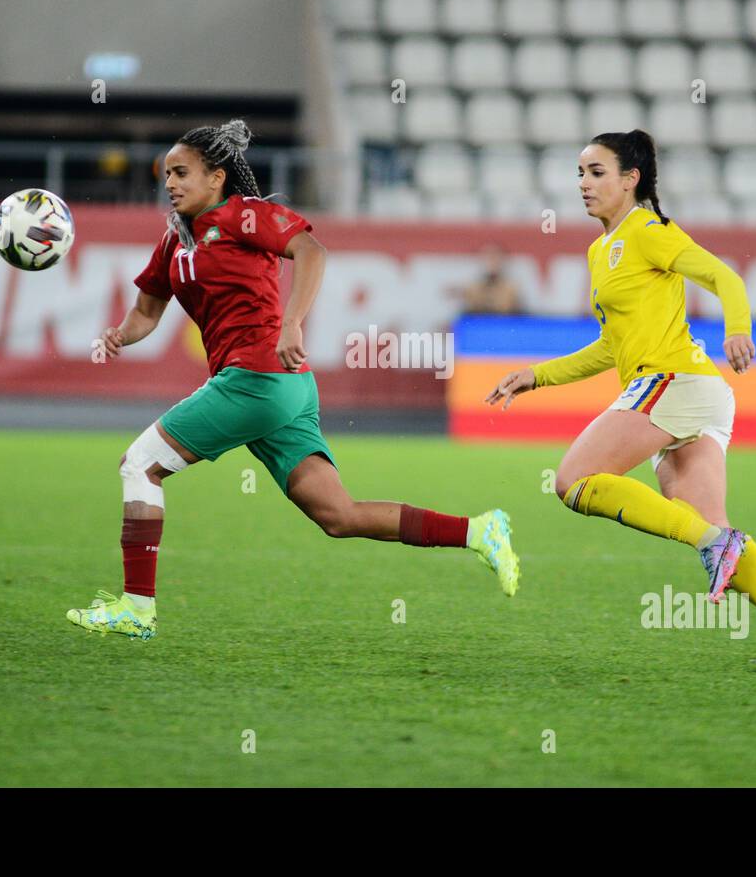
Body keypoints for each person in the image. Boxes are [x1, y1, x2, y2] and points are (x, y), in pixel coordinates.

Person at [67, 120, 519, 640]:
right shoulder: (176, 239)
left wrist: (293, 320)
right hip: (281, 388)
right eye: (166, 173)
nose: (170, 183)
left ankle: (136, 608)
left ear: (216, 177)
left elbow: (311, 251)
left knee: (139, 466)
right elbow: (147, 312)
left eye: (181, 172)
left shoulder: (243, 215)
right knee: (339, 515)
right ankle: (480, 531)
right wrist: (120, 336)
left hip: (256, 379)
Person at [485, 129, 756, 663]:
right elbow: (610, 346)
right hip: (694, 392)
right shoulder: (600, 251)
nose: (584, 183)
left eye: (597, 173)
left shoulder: (647, 229)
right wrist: (539, 375)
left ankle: (716, 546)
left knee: (574, 481)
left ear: (631, 180)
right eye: (579, 173)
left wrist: (738, 328)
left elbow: (724, 276)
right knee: (709, 527)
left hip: (672, 382)